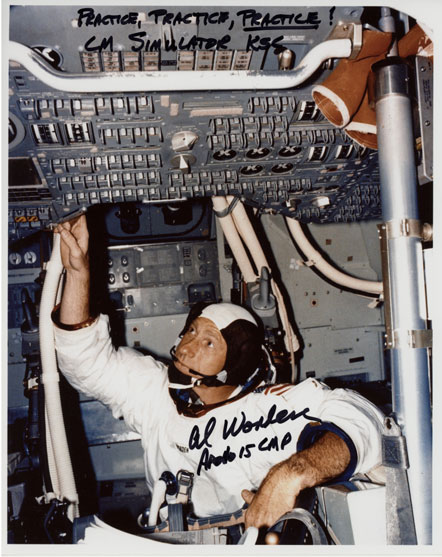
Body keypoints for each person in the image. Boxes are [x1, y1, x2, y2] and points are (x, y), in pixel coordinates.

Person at [53, 215, 385, 531]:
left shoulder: (265, 411)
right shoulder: (153, 392)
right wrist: (78, 274)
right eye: (191, 331)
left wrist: (291, 473)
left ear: (234, 365)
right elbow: (84, 363)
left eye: (208, 342)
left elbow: (363, 421)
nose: (186, 348)